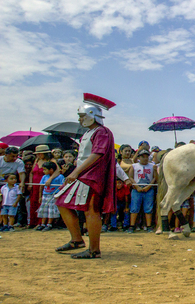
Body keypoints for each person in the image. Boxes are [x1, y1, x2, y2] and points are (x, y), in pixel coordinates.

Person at [54, 93, 117, 259]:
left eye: (82, 116)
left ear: (91, 115)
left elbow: (97, 154)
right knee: (61, 200)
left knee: (91, 210)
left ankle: (94, 250)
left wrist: (75, 172)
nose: (80, 120)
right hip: (83, 174)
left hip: (91, 176)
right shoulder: (90, 132)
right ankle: (77, 240)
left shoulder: (102, 131)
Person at [128, 149, 156, 233]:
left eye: (146, 156)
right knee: (134, 208)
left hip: (149, 189)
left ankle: (148, 226)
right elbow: (131, 176)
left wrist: (149, 186)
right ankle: (132, 226)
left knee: (148, 208)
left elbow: (155, 177)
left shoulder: (152, 166)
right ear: (139, 157)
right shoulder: (134, 166)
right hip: (137, 189)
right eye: (143, 156)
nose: (145, 158)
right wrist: (136, 186)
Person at [37, 161, 64, 231]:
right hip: (45, 194)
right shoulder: (44, 177)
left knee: (51, 210)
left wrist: (59, 195)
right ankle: (43, 224)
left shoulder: (60, 177)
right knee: (44, 209)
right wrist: (40, 196)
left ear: (51, 170)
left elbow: (63, 186)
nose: (43, 171)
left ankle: (49, 224)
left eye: (45, 169)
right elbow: (41, 186)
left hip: (54, 195)